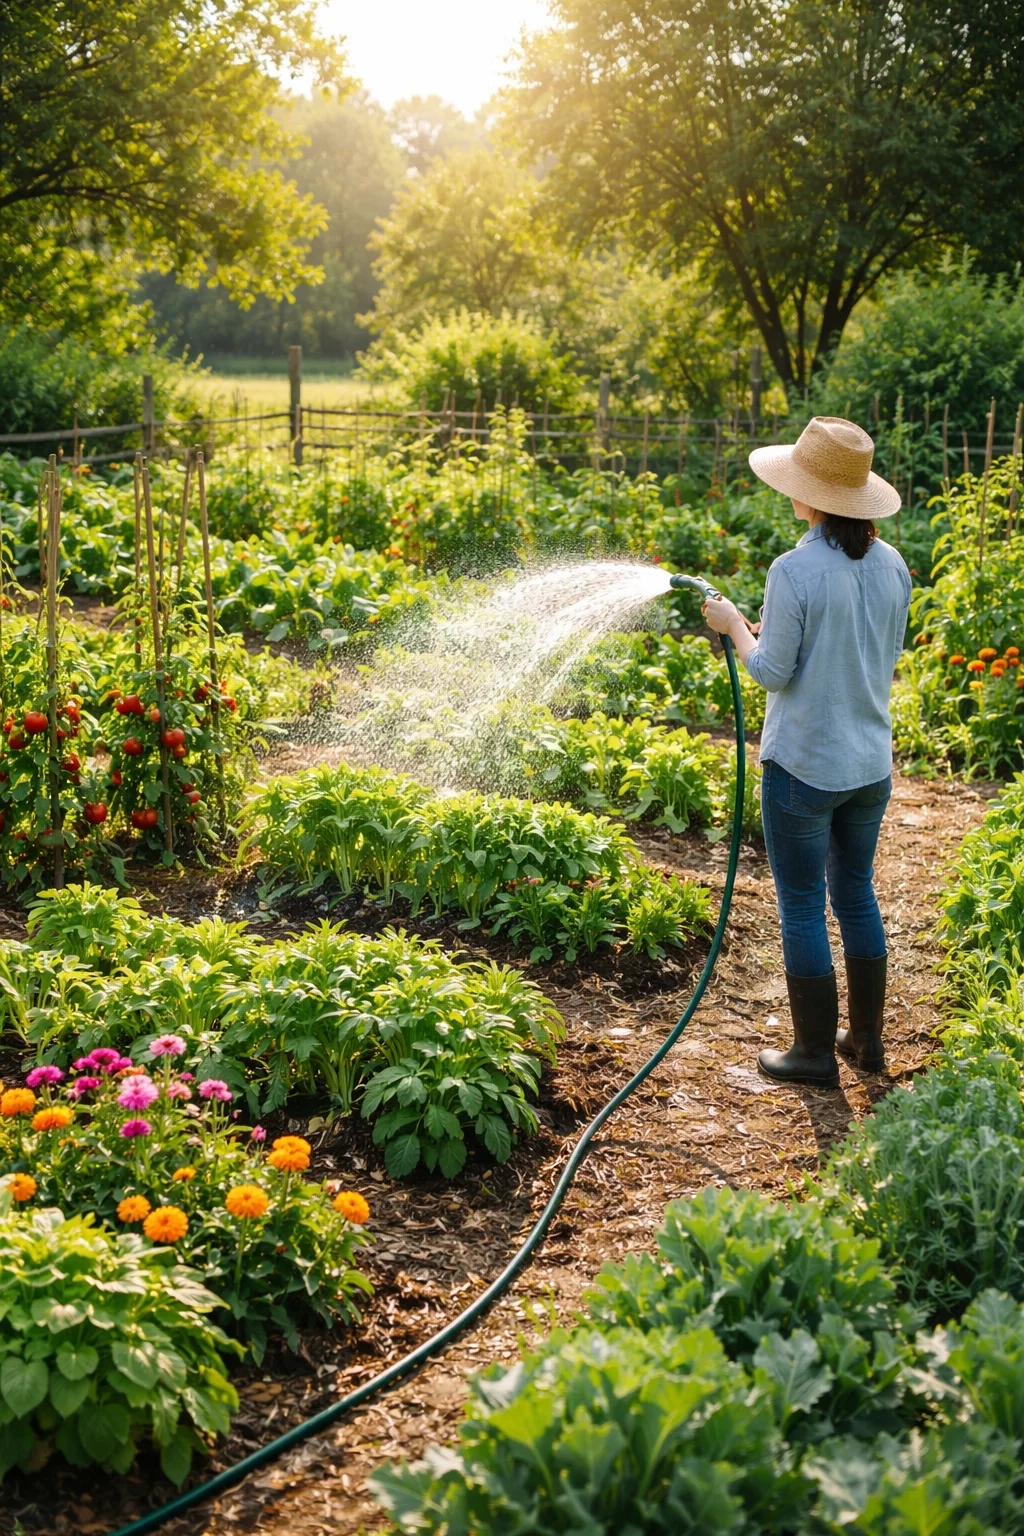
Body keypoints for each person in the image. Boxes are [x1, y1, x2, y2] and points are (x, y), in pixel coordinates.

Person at [702, 416, 910, 1088]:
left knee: (799, 902)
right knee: (854, 893)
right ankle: (867, 1043)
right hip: (869, 764)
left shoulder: (793, 569)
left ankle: (813, 1054)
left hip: (804, 768)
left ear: (810, 493)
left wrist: (735, 627)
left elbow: (770, 673)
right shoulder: (892, 564)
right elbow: (864, 652)